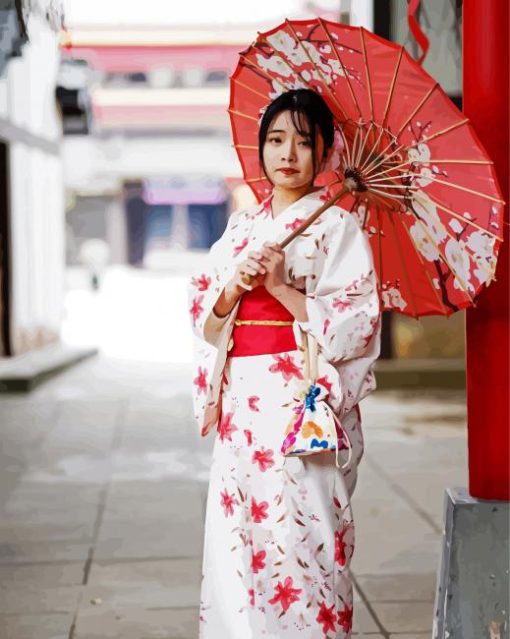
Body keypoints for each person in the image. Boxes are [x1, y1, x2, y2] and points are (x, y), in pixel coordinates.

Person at [188, 89, 381, 638]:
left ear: (324, 155)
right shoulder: (241, 229)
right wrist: (231, 286)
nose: (288, 153)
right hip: (242, 407)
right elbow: (205, 309)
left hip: (299, 402)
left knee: (303, 535)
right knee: (237, 536)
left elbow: (357, 321)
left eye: (303, 141)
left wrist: (280, 288)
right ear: (260, 148)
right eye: (276, 140)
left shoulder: (336, 227)